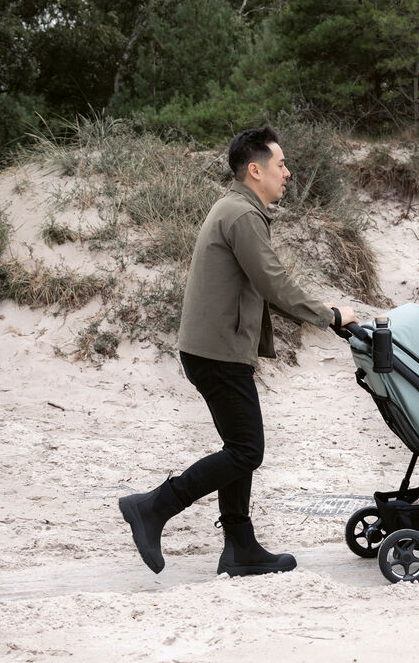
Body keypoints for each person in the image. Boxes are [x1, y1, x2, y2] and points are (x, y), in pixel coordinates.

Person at [118, 126, 358, 577]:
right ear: (255, 170)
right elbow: (273, 282)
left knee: (238, 446)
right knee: (247, 450)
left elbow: (262, 287)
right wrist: (329, 315)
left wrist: (322, 316)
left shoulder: (235, 208)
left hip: (213, 349)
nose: (287, 172)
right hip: (218, 353)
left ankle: (240, 547)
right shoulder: (243, 214)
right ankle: (152, 507)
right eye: (281, 164)